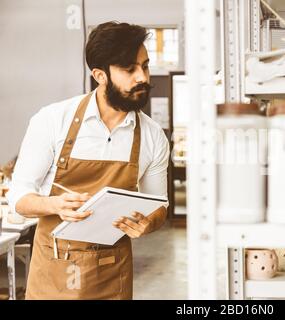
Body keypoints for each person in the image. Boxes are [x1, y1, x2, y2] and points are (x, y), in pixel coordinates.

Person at [6, 21, 170, 300]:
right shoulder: (53, 120)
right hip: (54, 270)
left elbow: (159, 205)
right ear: (99, 75)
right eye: (129, 69)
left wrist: (148, 223)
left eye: (145, 65)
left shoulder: (153, 137)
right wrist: (53, 204)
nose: (142, 77)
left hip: (113, 273)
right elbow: (18, 196)